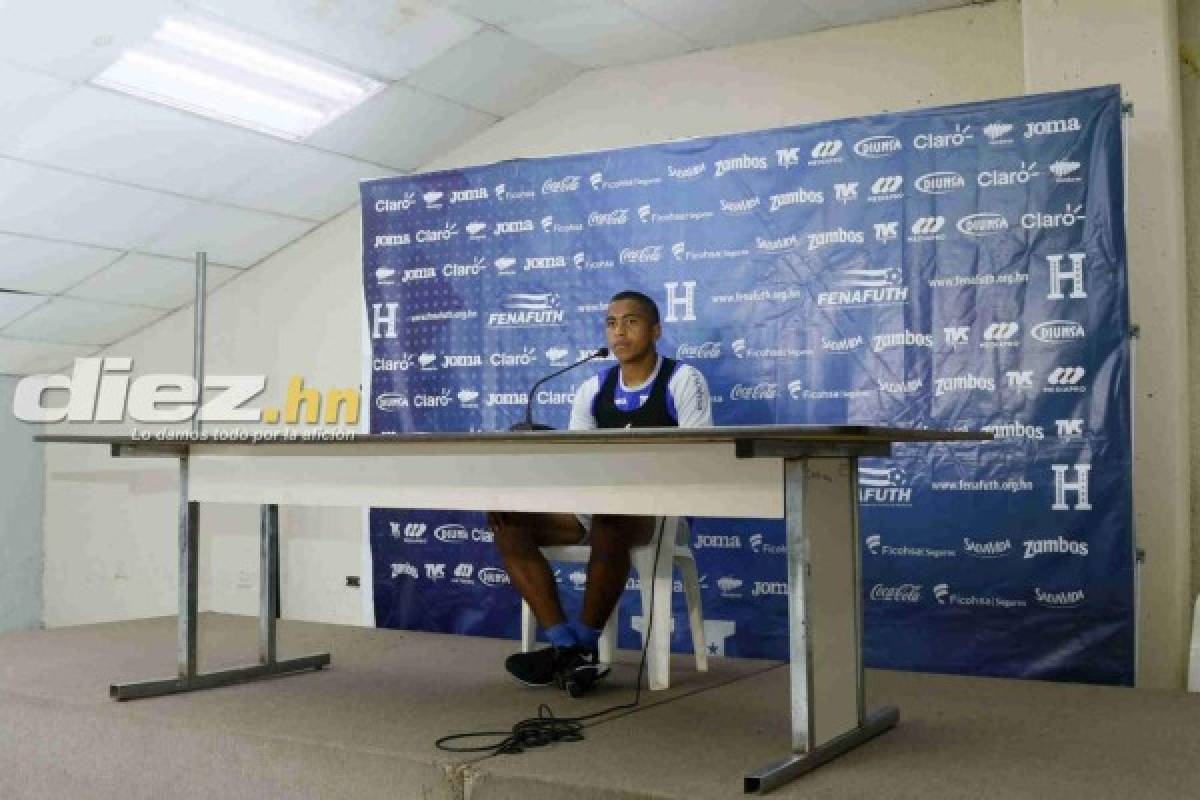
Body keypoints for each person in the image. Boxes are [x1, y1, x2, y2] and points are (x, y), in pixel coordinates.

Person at [488, 290, 713, 695]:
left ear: (655, 330)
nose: (619, 332)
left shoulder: (682, 380)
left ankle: (584, 642)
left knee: (615, 515)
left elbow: (700, 458)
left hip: (661, 512)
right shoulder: (593, 387)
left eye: (631, 322)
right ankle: (564, 644)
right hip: (598, 508)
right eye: (611, 323)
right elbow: (578, 463)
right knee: (507, 520)